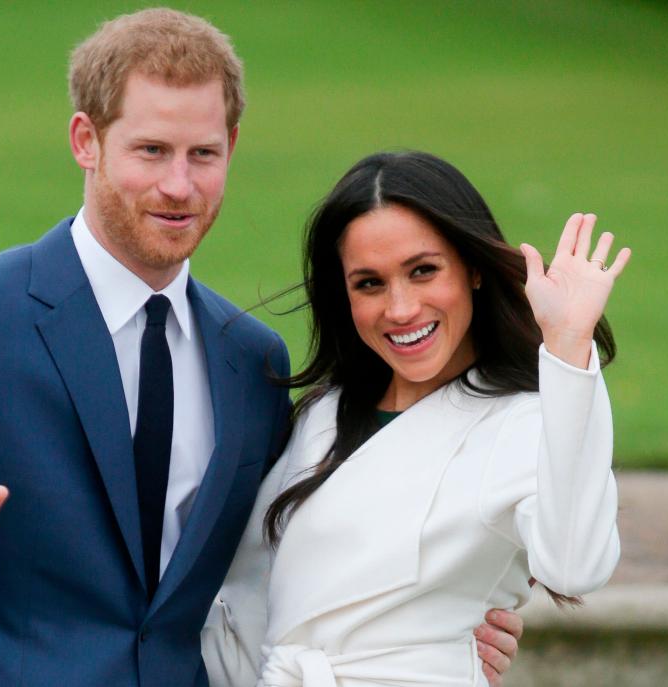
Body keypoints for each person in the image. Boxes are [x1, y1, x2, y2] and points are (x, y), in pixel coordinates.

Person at [0, 10, 522, 687]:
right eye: (151, 150)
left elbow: (291, 551)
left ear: (231, 148)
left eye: (202, 154)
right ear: (85, 139)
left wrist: (436, 618)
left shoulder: (253, 360)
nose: (179, 186)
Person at [202, 151, 629, 686]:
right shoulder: (324, 413)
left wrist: (568, 348)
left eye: (423, 271)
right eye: (370, 283)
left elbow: (576, 566)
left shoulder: (524, 422)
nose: (400, 309)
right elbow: (257, 595)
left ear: (472, 268)